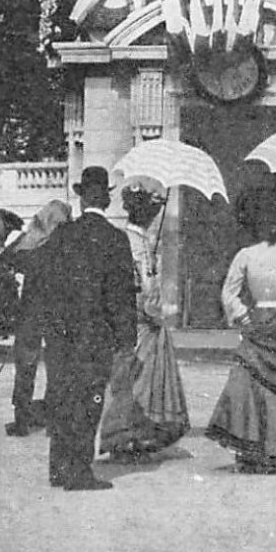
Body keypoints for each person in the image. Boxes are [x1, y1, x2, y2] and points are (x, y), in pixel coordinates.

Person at [45, 166, 138, 491]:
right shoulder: (115, 239)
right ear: (107, 200)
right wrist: (127, 338)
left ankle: (58, 467)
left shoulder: (61, 235)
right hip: (95, 336)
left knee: (61, 396)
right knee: (89, 400)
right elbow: (122, 296)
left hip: (61, 334)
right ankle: (79, 471)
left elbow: (49, 285)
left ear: (82, 198)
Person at [205, 187, 276, 475]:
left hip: (257, 319)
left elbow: (229, 293)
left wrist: (243, 317)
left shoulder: (246, 255)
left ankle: (253, 449)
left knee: (253, 384)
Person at [98, 185, 190, 460]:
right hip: (141, 320)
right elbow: (145, 288)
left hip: (139, 319)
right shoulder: (135, 244)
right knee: (137, 381)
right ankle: (125, 437)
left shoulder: (136, 241)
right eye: (150, 213)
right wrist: (155, 311)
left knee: (138, 380)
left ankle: (136, 435)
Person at [4, 199, 72, 438]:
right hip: (58, 312)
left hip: (30, 312)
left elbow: (9, 257)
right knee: (57, 365)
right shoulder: (66, 245)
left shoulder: (31, 243)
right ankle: (54, 422)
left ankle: (21, 419)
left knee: (25, 365)